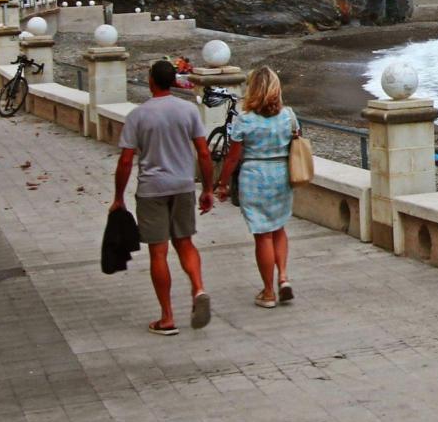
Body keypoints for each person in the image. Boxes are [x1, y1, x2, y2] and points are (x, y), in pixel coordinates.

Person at [111, 59, 215, 336]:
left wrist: (118, 197)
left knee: (159, 252)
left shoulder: (138, 115)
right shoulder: (189, 110)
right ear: (172, 81)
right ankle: (198, 288)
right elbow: (204, 153)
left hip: (152, 189)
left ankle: (167, 317)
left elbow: (125, 161)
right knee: (185, 242)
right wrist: (207, 189)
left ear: (151, 81)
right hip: (182, 186)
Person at [214, 66, 298, 309]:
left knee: (263, 235)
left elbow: (232, 158)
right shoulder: (288, 116)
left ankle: (269, 292)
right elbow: (296, 142)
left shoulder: (245, 120)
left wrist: (222, 184)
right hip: (281, 175)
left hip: (254, 177)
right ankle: (283, 277)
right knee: (279, 228)